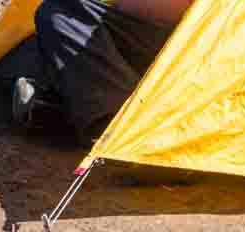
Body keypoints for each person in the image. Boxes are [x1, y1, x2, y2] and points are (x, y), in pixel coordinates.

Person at [11, 0, 192, 144]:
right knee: (56, 15)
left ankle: (117, 124)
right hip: (123, 38)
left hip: (186, 45)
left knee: (61, 11)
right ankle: (98, 116)